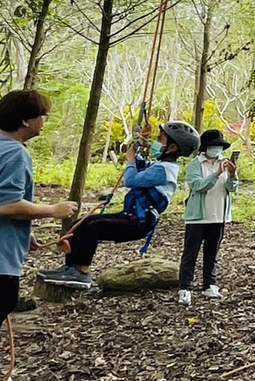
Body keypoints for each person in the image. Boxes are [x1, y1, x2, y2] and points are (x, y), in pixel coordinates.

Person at [40, 120, 200, 288]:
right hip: (131, 217)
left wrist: (131, 161)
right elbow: (141, 167)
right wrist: (137, 147)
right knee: (82, 224)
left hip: (139, 222)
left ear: (173, 148)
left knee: (92, 228)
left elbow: (130, 180)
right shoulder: (161, 166)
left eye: (161, 139)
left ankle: (81, 272)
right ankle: (71, 267)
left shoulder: (164, 171)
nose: (157, 142)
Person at [0, 90, 79, 329]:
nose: (45, 122)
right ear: (26, 120)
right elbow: (6, 204)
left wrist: (25, 230)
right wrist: (53, 209)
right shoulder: (15, 152)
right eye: (44, 116)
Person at [178, 129, 239, 306]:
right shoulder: (195, 165)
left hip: (219, 216)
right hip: (198, 218)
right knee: (191, 253)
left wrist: (233, 175)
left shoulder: (225, 164)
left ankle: (210, 284)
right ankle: (185, 288)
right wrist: (216, 174)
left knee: (212, 253)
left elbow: (232, 188)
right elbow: (198, 186)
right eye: (213, 146)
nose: (217, 149)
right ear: (205, 148)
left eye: (219, 146)